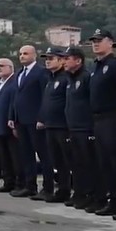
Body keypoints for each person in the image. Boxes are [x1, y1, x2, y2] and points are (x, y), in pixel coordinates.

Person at [88, 29, 116, 217]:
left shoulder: (115, 65)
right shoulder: (97, 66)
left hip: (112, 118)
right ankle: (112, 199)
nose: (95, 43)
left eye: (99, 40)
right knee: (104, 162)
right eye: (93, 41)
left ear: (110, 42)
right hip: (98, 120)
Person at [12, 45, 52, 199]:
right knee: (26, 154)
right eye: (20, 53)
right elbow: (15, 98)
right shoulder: (19, 73)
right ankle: (30, 186)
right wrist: (13, 118)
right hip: (21, 120)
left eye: (26, 53)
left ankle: (48, 188)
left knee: (43, 154)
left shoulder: (41, 73)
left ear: (34, 55)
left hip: (35, 120)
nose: (22, 56)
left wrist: (42, 118)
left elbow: (45, 96)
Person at [63, 46, 99, 211]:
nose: (64, 61)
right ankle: (78, 193)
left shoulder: (86, 77)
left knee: (87, 164)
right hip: (73, 128)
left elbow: (91, 103)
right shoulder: (69, 79)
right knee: (76, 164)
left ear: (78, 60)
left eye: (67, 58)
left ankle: (90, 195)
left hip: (85, 128)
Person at [38, 47, 71, 203]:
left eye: (51, 58)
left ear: (61, 60)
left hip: (62, 126)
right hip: (50, 125)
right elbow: (47, 103)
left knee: (66, 160)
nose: (48, 61)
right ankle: (62, 190)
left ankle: (69, 190)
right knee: (57, 160)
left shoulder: (65, 78)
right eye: (46, 58)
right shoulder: (50, 79)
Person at [0, 58, 19, 192]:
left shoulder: (14, 82)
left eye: (1, 66)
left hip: (8, 126)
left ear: (10, 68)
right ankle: (8, 182)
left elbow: (14, 103)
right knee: (3, 157)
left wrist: (11, 119)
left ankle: (17, 182)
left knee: (14, 157)